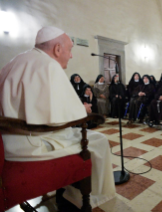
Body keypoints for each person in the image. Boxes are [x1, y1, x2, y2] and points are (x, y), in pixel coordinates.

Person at [0, 26, 115, 210]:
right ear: (57, 49)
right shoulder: (48, 65)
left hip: (8, 142)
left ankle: (69, 192)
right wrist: (83, 109)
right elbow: (66, 116)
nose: (70, 56)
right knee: (99, 140)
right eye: (70, 50)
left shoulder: (16, 60)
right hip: (34, 144)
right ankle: (92, 196)